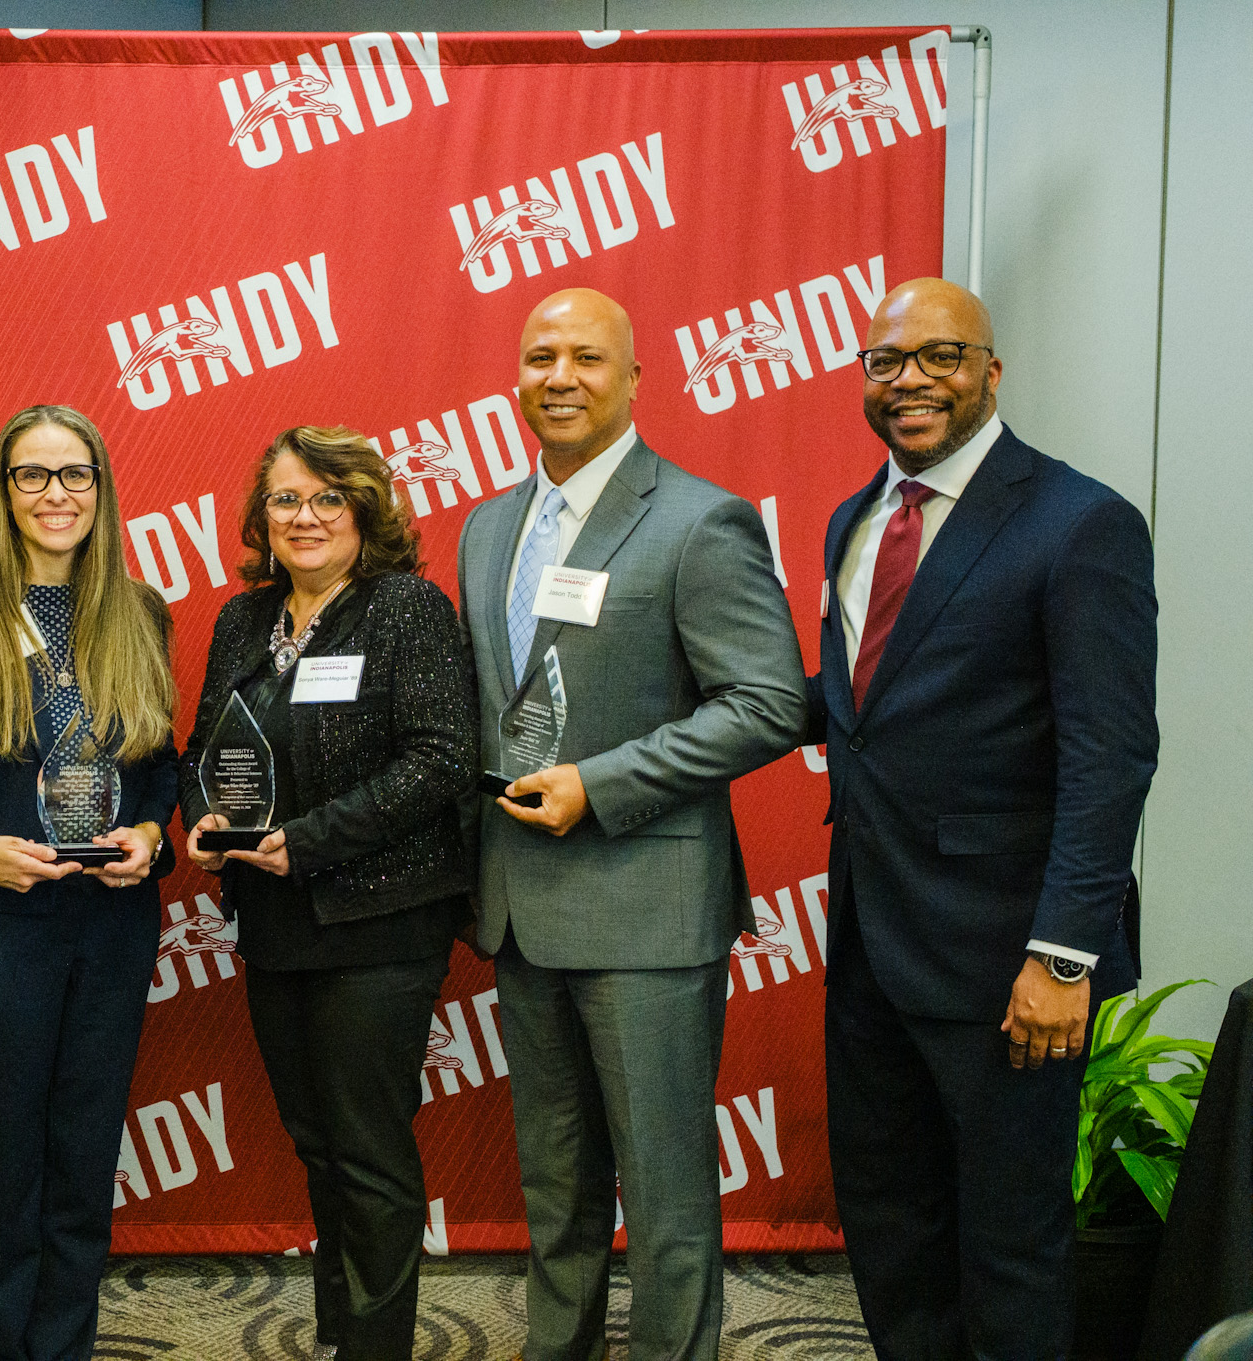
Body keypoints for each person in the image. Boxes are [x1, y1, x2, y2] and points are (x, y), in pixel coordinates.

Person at [455, 288, 807, 1361]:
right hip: (519, 910)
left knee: (663, 1202)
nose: (557, 377)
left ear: (634, 379)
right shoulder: (485, 527)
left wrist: (597, 783)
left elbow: (766, 704)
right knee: (552, 1188)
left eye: (586, 359)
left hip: (647, 912)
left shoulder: (699, 519)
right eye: (538, 357)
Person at [808, 278, 1156, 1358]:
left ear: (989, 373)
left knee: (1008, 1249)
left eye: (939, 356)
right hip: (871, 949)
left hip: (1009, 968)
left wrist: (1061, 958)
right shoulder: (850, 520)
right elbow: (858, 717)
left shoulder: (1078, 522)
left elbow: (1110, 757)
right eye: (885, 361)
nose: (908, 378)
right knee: (892, 1231)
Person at [0, 404, 179, 1361]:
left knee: (84, 1152)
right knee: (2, 1157)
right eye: (33, 476)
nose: (57, 495)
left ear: (101, 487)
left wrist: (146, 830)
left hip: (111, 927)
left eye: (75, 475)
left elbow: (164, 767)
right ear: (3, 493)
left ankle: (64, 1346)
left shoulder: (141, 614)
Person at [179, 427, 477, 1361]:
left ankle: (375, 1347)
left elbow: (441, 762)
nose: (303, 518)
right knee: (317, 1145)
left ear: (365, 511)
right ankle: (345, 1336)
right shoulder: (243, 619)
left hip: (377, 926)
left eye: (325, 499)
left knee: (370, 1154)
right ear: (260, 518)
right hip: (273, 925)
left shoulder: (405, 609)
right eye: (284, 501)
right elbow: (205, 750)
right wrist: (201, 820)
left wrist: (301, 843)